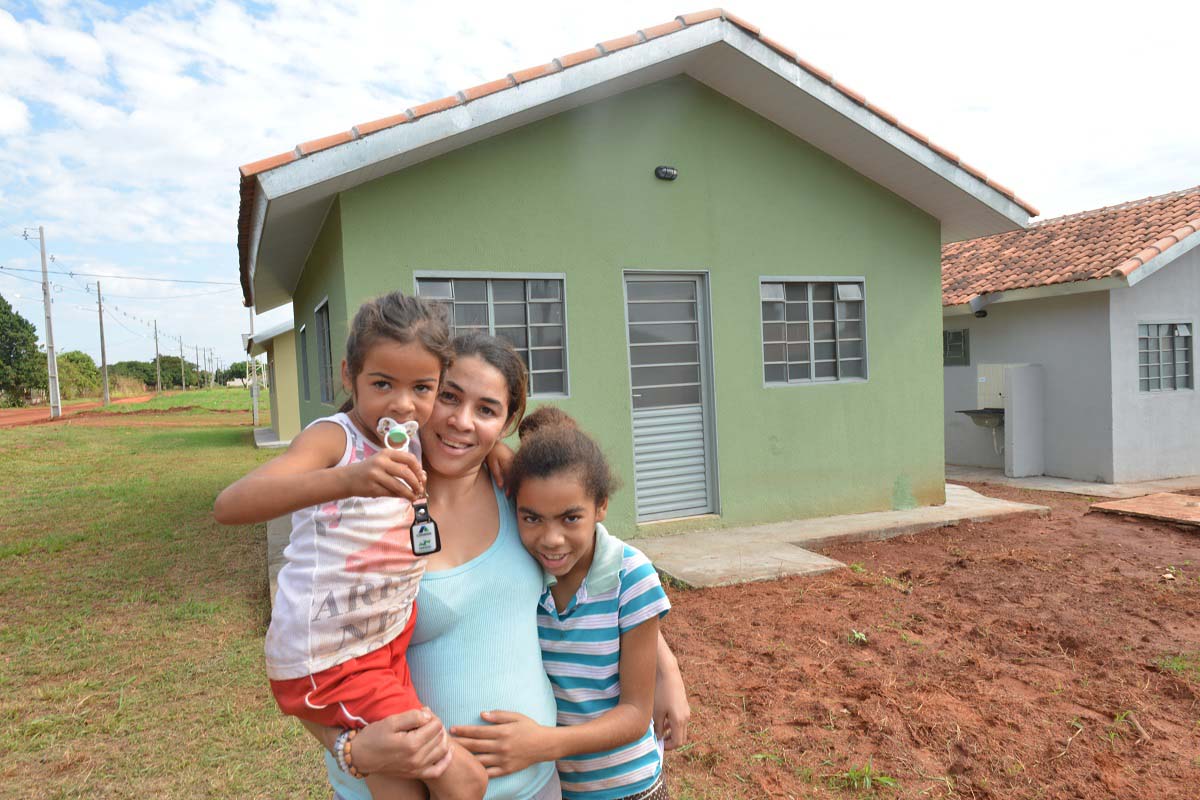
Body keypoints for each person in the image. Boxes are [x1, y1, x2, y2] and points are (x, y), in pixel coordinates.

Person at [314, 333, 690, 800]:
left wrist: (664, 666)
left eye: (486, 410)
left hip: (539, 784)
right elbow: (307, 657)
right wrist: (349, 748)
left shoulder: (519, 497)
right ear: (423, 394)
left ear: (507, 421)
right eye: (448, 396)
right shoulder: (366, 508)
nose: (461, 421)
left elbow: (603, 568)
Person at [214, 293, 487, 800]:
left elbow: (480, 442)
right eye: (382, 384)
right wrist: (348, 479)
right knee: (464, 782)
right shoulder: (333, 440)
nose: (402, 404)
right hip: (332, 657)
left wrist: (508, 461)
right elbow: (230, 505)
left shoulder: (418, 437)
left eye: (422, 388)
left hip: (383, 643)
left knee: (401, 784)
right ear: (349, 376)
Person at [452, 407, 671, 799]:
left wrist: (543, 744)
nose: (551, 539)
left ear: (601, 506)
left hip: (627, 788)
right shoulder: (521, 573)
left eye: (570, 518)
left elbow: (636, 714)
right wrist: (493, 448)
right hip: (553, 787)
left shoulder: (631, 576)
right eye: (532, 519)